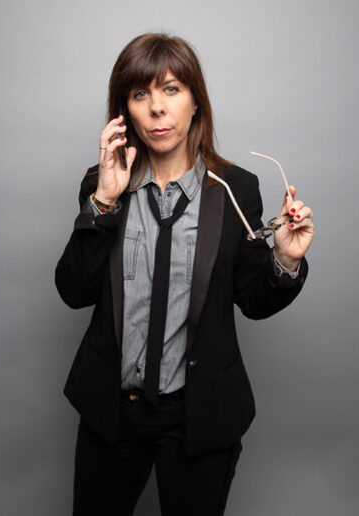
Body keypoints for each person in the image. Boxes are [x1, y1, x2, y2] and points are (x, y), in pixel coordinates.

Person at [55, 32, 314, 516]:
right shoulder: (102, 181)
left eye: (171, 89)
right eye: (141, 93)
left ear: (196, 102)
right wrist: (104, 201)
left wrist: (286, 260)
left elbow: (253, 300)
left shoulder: (236, 188)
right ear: (124, 112)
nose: (157, 107)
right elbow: (74, 290)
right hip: (112, 413)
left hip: (199, 414)